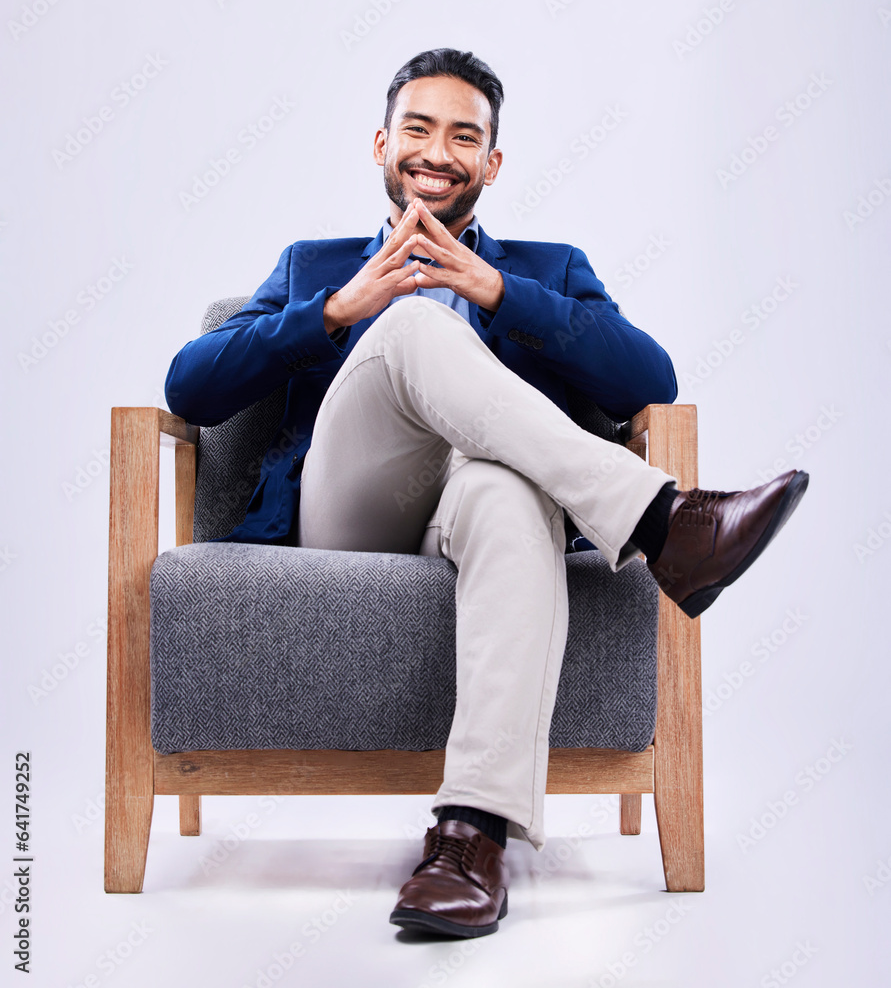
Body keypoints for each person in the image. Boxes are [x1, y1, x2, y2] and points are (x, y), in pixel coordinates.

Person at [165, 48, 808, 939]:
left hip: (469, 523)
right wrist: (335, 313)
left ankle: (469, 840)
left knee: (510, 493)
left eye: (464, 137)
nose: (438, 151)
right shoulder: (312, 266)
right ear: (382, 144)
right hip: (348, 515)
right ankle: (665, 521)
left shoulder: (550, 268)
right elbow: (190, 390)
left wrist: (503, 293)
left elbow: (647, 378)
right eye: (419, 129)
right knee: (417, 323)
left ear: (491, 164)